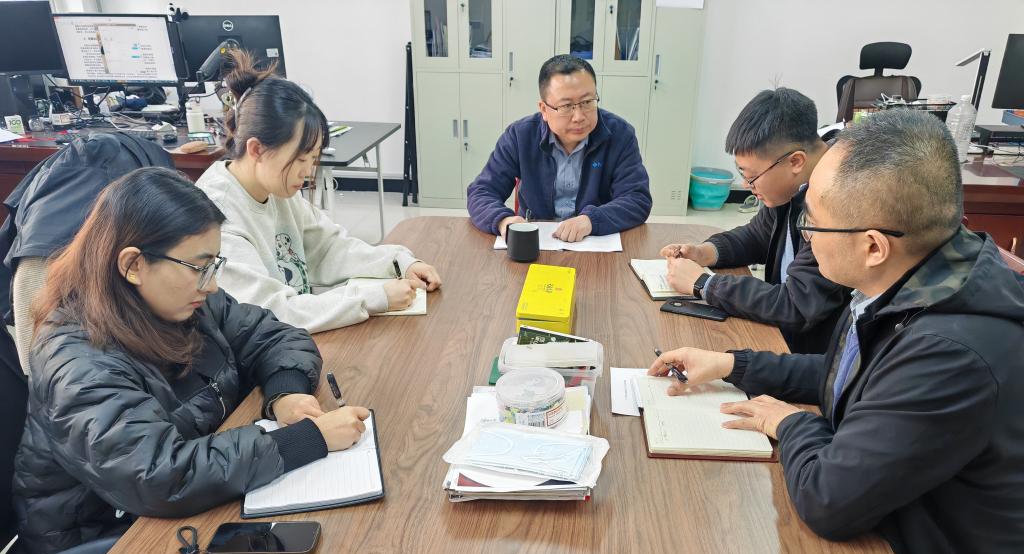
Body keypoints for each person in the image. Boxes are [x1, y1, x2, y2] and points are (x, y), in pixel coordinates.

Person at [648, 109, 1024, 554]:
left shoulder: (951, 354)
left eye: (813, 224)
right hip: (884, 523)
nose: (803, 237)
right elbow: (851, 377)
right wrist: (732, 363)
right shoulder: (905, 283)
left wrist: (789, 422)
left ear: (873, 245)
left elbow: (829, 499)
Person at [14, 167, 371, 554]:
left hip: (193, 502)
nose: (212, 284)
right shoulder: (77, 361)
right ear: (133, 265)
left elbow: (274, 336)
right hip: (111, 543)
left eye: (213, 265)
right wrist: (307, 440)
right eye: (199, 267)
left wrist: (285, 393)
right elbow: (160, 475)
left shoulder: (183, 301)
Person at [196, 52, 441, 333]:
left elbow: (329, 247)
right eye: (301, 159)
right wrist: (372, 298)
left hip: (293, 342)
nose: (307, 171)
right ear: (257, 149)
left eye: (313, 158)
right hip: (262, 349)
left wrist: (398, 263)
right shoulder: (217, 218)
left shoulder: (274, 188)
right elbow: (271, 313)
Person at [659, 88, 849, 353]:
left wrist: (704, 284)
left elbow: (797, 305)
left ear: (795, 161)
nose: (747, 186)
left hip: (813, 355)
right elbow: (758, 235)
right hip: (786, 337)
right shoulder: (793, 185)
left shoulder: (839, 200)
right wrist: (704, 252)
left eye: (752, 177)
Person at [467, 54, 652, 243]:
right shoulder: (520, 136)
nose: (579, 116)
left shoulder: (620, 135)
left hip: (595, 242)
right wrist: (504, 221)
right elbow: (481, 191)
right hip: (534, 243)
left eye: (587, 102)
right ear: (544, 109)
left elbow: (637, 199)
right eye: (566, 106)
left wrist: (591, 220)